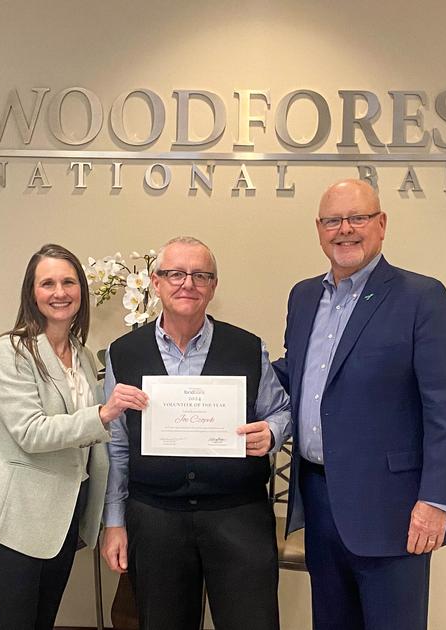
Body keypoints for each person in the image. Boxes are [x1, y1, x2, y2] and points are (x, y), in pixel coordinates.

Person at [273, 179, 446, 630]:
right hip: (320, 501)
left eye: (357, 218)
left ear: (381, 224)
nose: (344, 229)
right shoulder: (304, 297)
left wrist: (436, 501)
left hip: (394, 509)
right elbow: (295, 376)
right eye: (332, 220)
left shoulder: (421, 297)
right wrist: (228, 382)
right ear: (319, 229)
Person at [101, 236, 291, 630]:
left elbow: (281, 410)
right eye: (175, 274)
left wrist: (271, 433)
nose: (187, 283)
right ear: (155, 283)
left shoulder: (248, 347)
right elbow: (117, 447)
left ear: (213, 286)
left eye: (200, 275)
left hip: (238, 514)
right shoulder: (123, 353)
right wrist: (115, 522)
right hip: (155, 518)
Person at [0, 244, 148, 630]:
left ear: (81, 291)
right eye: (47, 283)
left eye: (68, 281)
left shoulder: (81, 356)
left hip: (63, 520)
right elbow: (30, 432)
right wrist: (102, 413)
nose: (59, 291)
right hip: (14, 521)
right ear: (31, 294)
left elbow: (96, 441)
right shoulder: (11, 351)